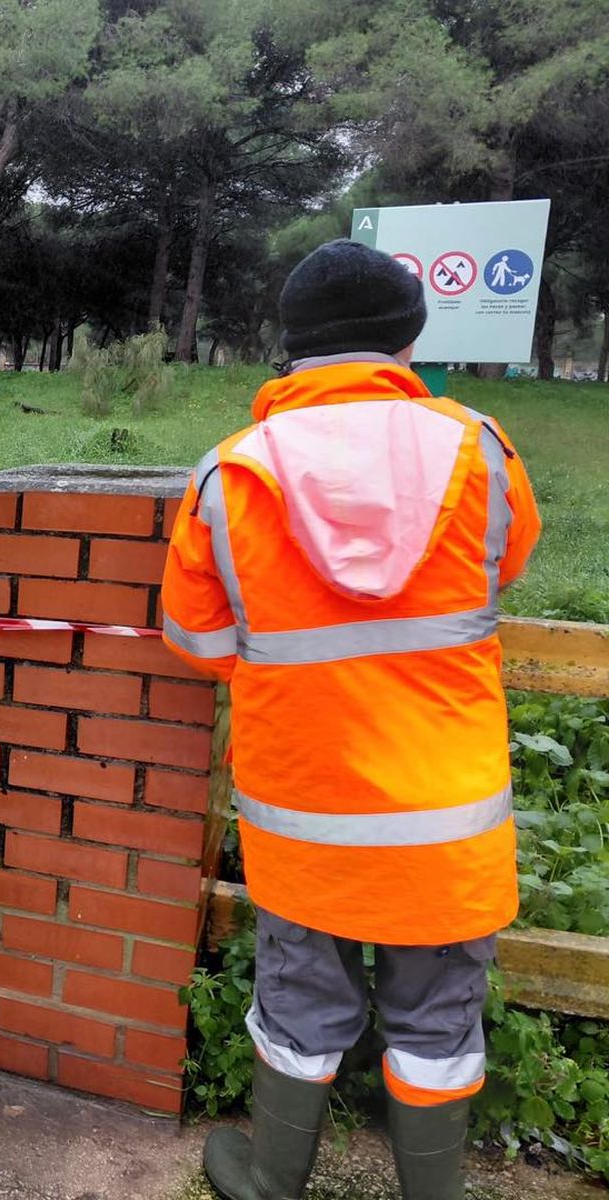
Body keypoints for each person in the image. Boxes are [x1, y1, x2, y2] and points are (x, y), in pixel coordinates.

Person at [161, 239, 541, 1200]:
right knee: (440, 1023)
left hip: (306, 819)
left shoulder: (232, 473)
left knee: (298, 1003)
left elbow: (197, 645)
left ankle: (268, 1179)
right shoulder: (482, 451)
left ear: (292, 344)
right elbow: (503, 572)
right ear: (407, 337)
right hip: (448, 825)